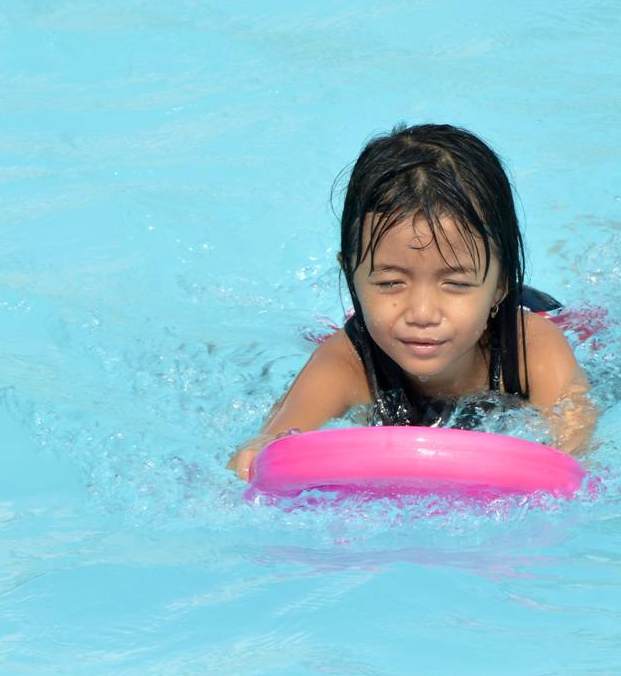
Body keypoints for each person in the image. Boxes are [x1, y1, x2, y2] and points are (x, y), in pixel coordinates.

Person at [227, 122, 599, 481]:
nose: (422, 313)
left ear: (501, 284)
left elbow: (575, 448)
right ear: (351, 276)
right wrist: (255, 457)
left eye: (455, 283)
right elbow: (266, 447)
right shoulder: (347, 361)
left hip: (525, 312)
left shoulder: (531, 345)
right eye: (390, 282)